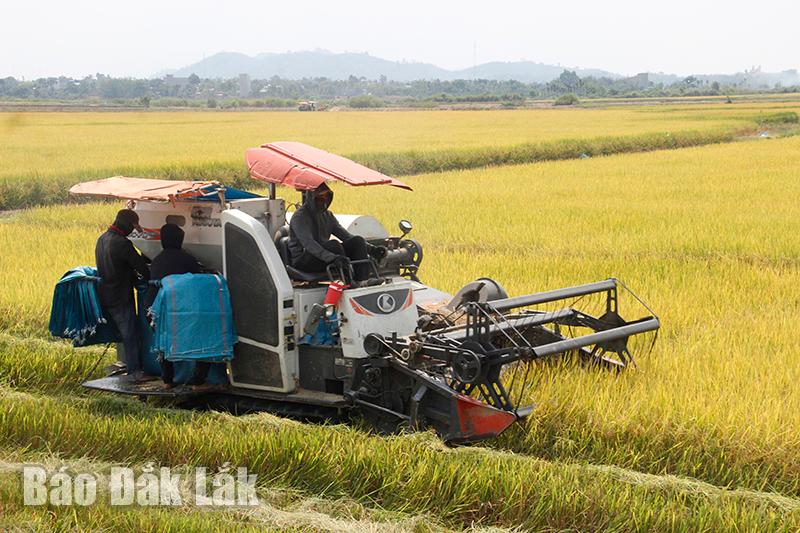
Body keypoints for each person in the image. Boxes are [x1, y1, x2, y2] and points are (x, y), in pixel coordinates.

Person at [145, 223, 217, 391]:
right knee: (202, 338)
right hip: (177, 310)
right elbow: (199, 281)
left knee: (163, 344)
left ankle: (167, 381)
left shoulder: (156, 260)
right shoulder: (187, 259)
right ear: (180, 239)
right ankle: (198, 381)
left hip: (154, 309)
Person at [288, 182, 386, 281]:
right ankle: (348, 281)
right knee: (334, 245)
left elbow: (346, 236)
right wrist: (332, 258)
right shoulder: (300, 217)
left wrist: (372, 249)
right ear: (312, 198)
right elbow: (309, 244)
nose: (324, 199)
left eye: (326, 196)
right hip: (303, 261)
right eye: (320, 196)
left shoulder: (328, 216)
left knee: (358, 241)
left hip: (322, 255)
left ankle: (362, 280)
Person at [95, 208, 151, 382]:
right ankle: (135, 372)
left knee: (124, 333)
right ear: (126, 224)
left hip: (106, 294)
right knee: (130, 333)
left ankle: (130, 365)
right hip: (121, 295)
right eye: (133, 227)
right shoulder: (122, 243)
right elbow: (141, 267)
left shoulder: (102, 239)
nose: (133, 231)